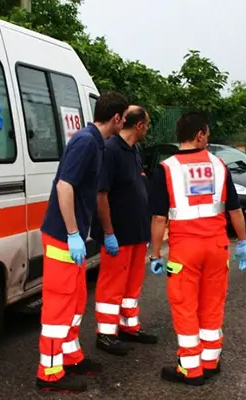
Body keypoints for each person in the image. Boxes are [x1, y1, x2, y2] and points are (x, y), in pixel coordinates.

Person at [148, 111, 246, 386]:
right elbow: (235, 210)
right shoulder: (219, 165)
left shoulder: (166, 168)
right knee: (212, 305)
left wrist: (155, 254)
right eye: (207, 132)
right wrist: (242, 242)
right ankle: (210, 361)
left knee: (185, 306)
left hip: (185, 251)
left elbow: (159, 218)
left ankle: (190, 369)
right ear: (200, 135)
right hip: (217, 248)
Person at [36, 91, 129, 393]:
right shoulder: (86, 142)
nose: (124, 123)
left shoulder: (94, 142)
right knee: (59, 306)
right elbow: (65, 186)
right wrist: (74, 233)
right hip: (63, 237)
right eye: (124, 118)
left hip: (70, 237)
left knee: (75, 301)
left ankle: (70, 357)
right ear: (116, 118)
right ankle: (49, 373)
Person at [90, 106, 159, 357]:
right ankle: (106, 334)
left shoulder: (133, 150)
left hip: (136, 232)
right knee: (112, 284)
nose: (148, 128)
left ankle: (128, 325)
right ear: (139, 125)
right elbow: (101, 195)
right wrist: (108, 233)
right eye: (148, 124)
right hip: (118, 234)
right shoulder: (111, 150)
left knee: (132, 285)